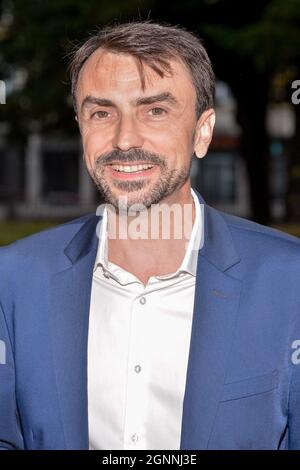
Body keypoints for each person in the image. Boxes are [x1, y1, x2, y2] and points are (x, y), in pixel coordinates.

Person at [1, 21, 300, 451]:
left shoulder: (288, 281)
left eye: (155, 110)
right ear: (81, 126)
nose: (125, 139)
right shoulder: (13, 280)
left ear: (202, 131)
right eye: (101, 112)